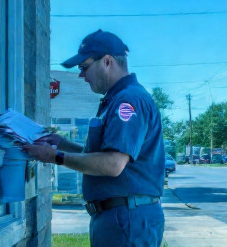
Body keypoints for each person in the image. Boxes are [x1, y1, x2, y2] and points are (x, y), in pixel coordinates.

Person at [22, 29, 165, 246]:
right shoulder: (116, 100)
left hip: (127, 219)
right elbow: (102, 157)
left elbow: (113, 164)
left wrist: (55, 157)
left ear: (107, 61)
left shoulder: (128, 101)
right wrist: (62, 143)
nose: (81, 75)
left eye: (84, 67)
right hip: (119, 216)